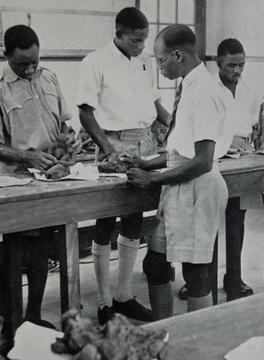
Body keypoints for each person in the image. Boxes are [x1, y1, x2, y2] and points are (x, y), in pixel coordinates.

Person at [124, 24, 230, 319]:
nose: (159, 67)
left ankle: (196, 343)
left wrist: (152, 179)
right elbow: (180, 151)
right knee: (155, 264)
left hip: (198, 188)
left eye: (161, 60)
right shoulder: (189, 84)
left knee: (195, 272)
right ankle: (164, 331)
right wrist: (148, 163)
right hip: (180, 185)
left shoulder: (204, 91)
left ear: (179, 55)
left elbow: (203, 161)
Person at [76, 7, 169, 325]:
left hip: (143, 142)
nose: (140, 46)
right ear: (118, 33)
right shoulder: (95, 61)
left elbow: (155, 103)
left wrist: (174, 124)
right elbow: (86, 112)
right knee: (105, 219)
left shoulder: (145, 61)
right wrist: (107, 149)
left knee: (133, 218)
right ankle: (104, 303)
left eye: (144, 40)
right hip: (112, 143)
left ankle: (124, 295)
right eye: (135, 40)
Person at [0, 24, 72, 348]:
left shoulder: (50, 77)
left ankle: (32, 316)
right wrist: (26, 157)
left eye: (35, 62)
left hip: (51, 176)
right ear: (6, 56)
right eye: (22, 64)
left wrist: (65, 139)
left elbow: (64, 124)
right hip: (15, 180)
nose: (30, 70)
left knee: (44, 248)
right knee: (14, 253)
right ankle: (10, 325)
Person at [178, 38, 256, 301]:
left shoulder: (247, 90)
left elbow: (251, 126)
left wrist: (247, 140)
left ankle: (233, 277)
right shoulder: (206, 89)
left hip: (237, 162)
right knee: (204, 223)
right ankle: (199, 281)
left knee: (237, 220)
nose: (237, 71)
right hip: (208, 161)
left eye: (241, 65)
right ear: (218, 61)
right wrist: (226, 139)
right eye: (231, 65)